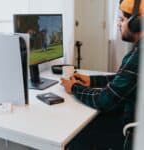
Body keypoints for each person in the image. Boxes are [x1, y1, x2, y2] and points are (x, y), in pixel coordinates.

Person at [61, 0, 144, 150]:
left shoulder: (139, 56)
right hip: (134, 119)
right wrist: (92, 80)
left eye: (122, 19)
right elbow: (125, 79)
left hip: (131, 133)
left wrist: (74, 88)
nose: (119, 24)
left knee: (75, 135)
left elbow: (103, 101)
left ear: (135, 23)